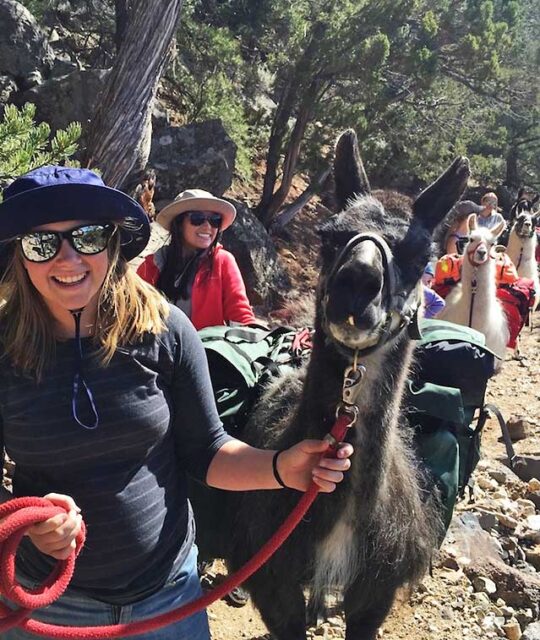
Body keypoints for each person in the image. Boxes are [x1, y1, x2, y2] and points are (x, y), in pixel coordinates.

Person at [0, 166, 353, 640]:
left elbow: (206, 449)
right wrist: (25, 522)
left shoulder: (164, 331)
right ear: (19, 256)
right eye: (41, 242)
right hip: (48, 603)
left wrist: (281, 468)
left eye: (85, 236)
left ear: (111, 243)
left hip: (167, 595)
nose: (68, 258)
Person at [137, 189, 255, 329]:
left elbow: (241, 316)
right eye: (197, 218)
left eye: (215, 220)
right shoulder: (153, 264)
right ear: (179, 224)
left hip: (205, 348)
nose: (207, 227)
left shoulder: (223, 262)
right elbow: (135, 310)